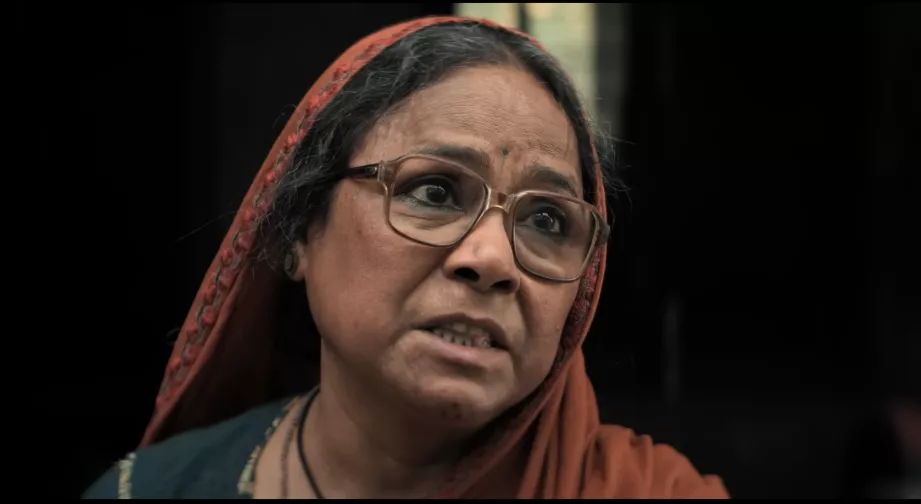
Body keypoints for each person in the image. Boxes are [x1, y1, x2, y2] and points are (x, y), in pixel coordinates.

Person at [83, 16, 729, 499]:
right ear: (297, 234)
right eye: (434, 192)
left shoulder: (649, 490)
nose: (492, 259)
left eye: (546, 220)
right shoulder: (153, 490)